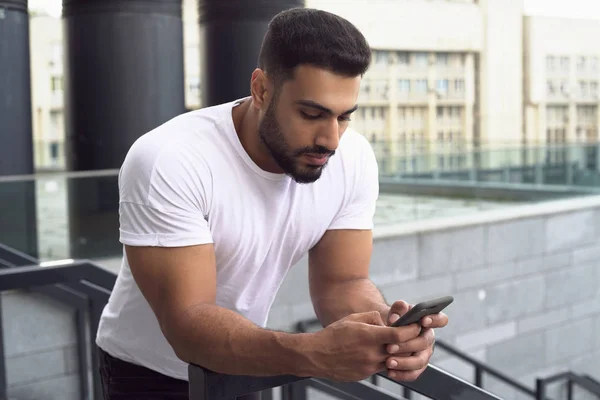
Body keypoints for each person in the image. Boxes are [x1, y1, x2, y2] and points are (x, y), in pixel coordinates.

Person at [95, 6, 449, 400]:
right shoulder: (169, 160)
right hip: (148, 374)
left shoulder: (352, 157)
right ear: (261, 90)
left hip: (249, 360)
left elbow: (342, 283)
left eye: (344, 117)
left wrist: (384, 330)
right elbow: (188, 326)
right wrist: (314, 353)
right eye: (312, 114)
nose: (331, 139)